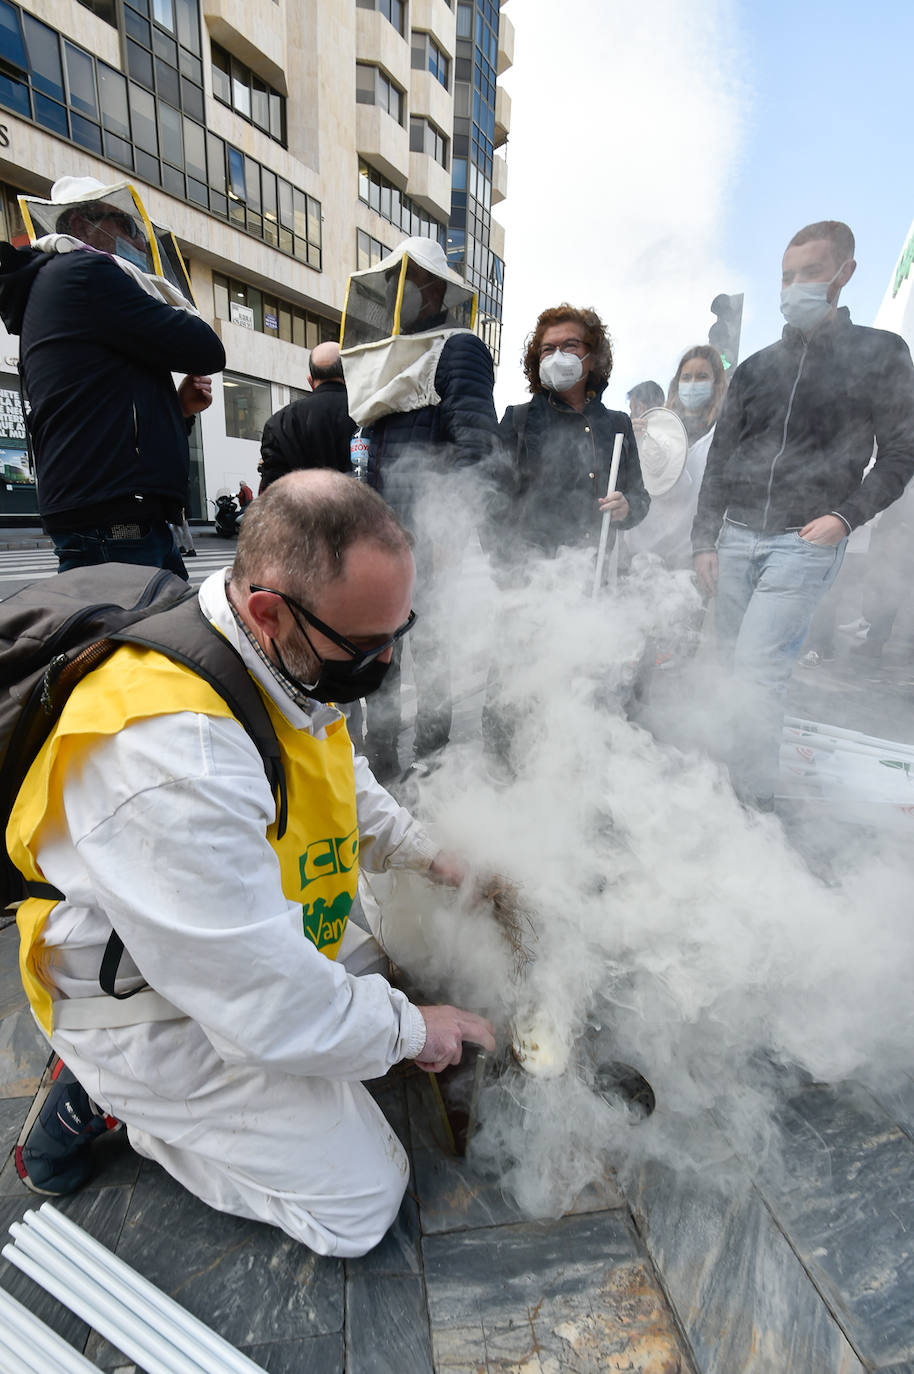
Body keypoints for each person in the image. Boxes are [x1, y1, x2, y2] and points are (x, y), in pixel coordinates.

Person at [9, 470, 495, 1258]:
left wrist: (428, 852)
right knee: (362, 1203)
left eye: (396, 634)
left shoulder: (261, 643)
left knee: (386, 987)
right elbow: (268, 1005)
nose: (384, 664)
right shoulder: (173, 758)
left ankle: (231, 1095)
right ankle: (121, 1104)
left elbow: (328, 757)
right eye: (367, 645)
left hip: (217, 931)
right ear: (270, 610)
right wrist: (412, 1032)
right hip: (142, 995)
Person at [691, 220, 914, 807]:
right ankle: (716, 791)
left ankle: (751, 812)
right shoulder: (757, 367)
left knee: (758, 676)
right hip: (736, 537)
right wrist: (703, 540)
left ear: (845, 273)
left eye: (810, 274)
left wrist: (845, 517)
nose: (794, 287)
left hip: (804, 541)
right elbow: (721, 457)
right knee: (728, 672)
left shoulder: (881, 352)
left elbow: (901, 452)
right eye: (787, 277)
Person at [0, 176, 225, 577]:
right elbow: (207, 348)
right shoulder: (88, 274)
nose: (139, 242)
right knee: (133, 638)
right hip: (114, 517)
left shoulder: (62, 283)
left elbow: (106, 404)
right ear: (83, 226)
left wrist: (177, 408)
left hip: (107, 510)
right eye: (128, 226)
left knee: (137, 636)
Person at [341, 236, 503, 780]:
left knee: (431, 657)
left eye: (402, 283)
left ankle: (433, 769)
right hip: (382, 540)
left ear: (431, 287)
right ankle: (384, 768)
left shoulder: (458, 348)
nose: (394, 294)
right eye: (389, 286)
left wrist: (451, 528)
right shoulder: (388, 360)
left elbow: (478, 447)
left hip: (429, 539)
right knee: (380, 656)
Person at [497, 304, 649, 561]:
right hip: (527, 578)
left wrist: (628, 507)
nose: (558, 355)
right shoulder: (518, 419)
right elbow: (493, 499)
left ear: (591, 358)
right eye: (548, 349)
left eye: (570, 346)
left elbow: (640, 496)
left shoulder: (618, 425)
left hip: (595, 576)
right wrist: (504, 566)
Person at [625, 346, 727, 569]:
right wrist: (631, 443)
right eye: (686, 377)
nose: (692, 384)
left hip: (689, 558)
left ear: (716, 383)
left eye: (702, 377)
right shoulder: (654, 428)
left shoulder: (723, 434)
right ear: (676, 383)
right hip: (641, 551)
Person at [258, 341, 356, 490]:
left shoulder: (280, 422)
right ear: (349, 376)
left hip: (300, 510)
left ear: (310, 381)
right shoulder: (369, 413)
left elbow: (271, 489)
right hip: (362, 509)